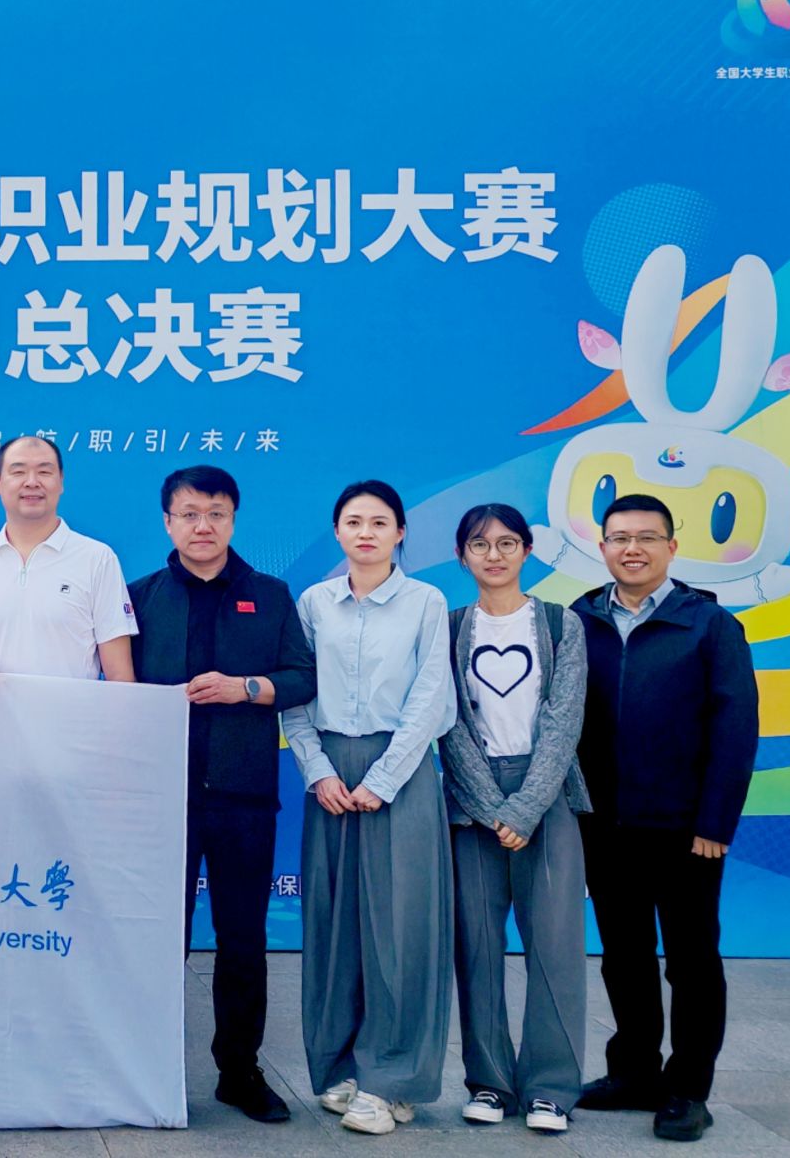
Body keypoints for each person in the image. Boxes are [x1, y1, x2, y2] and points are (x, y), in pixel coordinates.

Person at [126, 466, 314, 1123]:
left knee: (242, 939)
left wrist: (247, 688)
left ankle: (240, 1070)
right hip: (162, 797)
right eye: (189, 513)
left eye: (216, 513)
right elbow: (114, 687)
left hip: (244, 797)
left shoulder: (271, 594)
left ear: (233, 520)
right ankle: (148, 1069)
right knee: (157, 939)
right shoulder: (139, 598)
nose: (202, 526)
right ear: (167, 522)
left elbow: (302, 677)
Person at [571, 493, 759, 1143]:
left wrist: (716, 822)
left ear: (672, 547)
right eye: (619, 537)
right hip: (604, 825)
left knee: (692, 960)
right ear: (602, 547)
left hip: (686, 830)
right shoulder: (580, 620)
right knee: (623, 956)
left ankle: (687, 1089)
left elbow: (735, 729)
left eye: (647, 537)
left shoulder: (710, 625)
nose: (633, 549)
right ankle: (634, 1073)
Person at [280, 479, 456, 1136]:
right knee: (333, 926)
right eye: (353, 521)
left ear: (400, 532)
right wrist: (318, 770)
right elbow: (297, 693)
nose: (365, 533)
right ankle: (342, 1070)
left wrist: (384, 778)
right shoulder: (313, 603)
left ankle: (393, 1080)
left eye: (379, 522)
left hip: (400, 772)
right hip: (330, 773)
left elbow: (431, 696)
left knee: (401, 929)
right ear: (337, 531)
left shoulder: (425, 602)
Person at [439, 503, 590, 1134]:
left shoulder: (559, 623)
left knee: (555, 947)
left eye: (506, 543)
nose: (494, 555)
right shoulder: (449, 626)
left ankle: (551, 1088)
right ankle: (490, 1083)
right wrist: (490, 804)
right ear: (462, 556)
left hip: (546, 795)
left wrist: (526, 807)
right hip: (471, 804)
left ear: (527, 550)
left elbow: (564, 718)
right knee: (477, 947)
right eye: (479, 544)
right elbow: (447, 722)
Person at [0, 435, 137, 681]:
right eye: (18, 472)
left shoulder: (97, 558)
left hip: (71, 708)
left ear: (61, 481)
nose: (32, 482)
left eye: (44, 472)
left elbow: (119, 673)